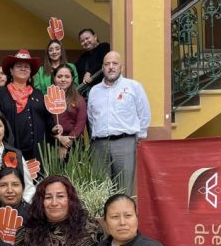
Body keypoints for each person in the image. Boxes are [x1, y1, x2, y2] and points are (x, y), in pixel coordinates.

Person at [87, 51, 151, 195]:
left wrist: (139, 136)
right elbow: (91, 118)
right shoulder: (94, 91)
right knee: (100, 191)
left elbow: (144, 114)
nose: (111, 67)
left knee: (123, 190)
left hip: (125, 143)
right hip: (99, 146)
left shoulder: (133, 87)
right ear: (102, 68)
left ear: (121, 67)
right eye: (107, 64)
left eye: (114, 63)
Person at [0, 50, 52, 161]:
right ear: (11, 71)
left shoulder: (39, 94)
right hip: (10, 150)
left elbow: (48, 119)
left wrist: (55, 128)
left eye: (27, 67)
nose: (23, 69)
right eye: (19, 66)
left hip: (38, 151)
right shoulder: (0, 94)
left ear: (31, 72)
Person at [50, 65, 88, 161]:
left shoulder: (79, 99)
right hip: (53, 144)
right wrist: (59, 138)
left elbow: (80, 123)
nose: (63, 80)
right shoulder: (48, 100)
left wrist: (67, 142)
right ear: (54, 79)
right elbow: (45, 123)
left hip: (75, 144)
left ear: (72, 79)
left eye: (67, 77)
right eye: (59, 76)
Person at [75, 29, 111, 96]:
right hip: (86, 94)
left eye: (87, 38)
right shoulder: (83, 56)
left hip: (104, 92)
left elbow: (103, 61)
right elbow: (75, 68)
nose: (85, 42)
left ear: (95, 37)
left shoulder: (104, 46)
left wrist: (89, 72)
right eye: (82, 41)